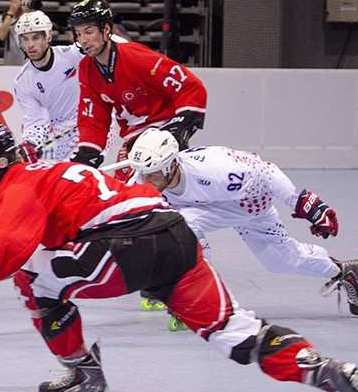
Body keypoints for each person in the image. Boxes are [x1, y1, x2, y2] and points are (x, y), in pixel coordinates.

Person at [0, 120, 358, 392]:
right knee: (235, 332)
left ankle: (82, 375)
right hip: (177, 239)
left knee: (34, 277)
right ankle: (329, 372)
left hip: (128, 248)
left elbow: (8, 243)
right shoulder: (40, 175)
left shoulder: (20, 187)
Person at [128, 128, 356, 314]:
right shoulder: (145, 177)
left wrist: (307, 205)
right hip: (204, 206)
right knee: (180, 223)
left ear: (170, 166)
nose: (145, 180)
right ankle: (199, 295)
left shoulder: (214, 170)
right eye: (142, 173)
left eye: (153, 174)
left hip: (249, 202)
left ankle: (346, 272)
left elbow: (267, 172)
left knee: (280, 261)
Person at [69, 0, 207, 181]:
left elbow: (190, 86)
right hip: (134, 137)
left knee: (155, 185)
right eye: (78, 34)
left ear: (107, 29)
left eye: (88, 31)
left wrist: (181, 124)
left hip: (162, 129)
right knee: (123, 187)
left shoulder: (136, 57)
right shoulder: (86, 69)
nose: (83, 40)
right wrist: (88, 152)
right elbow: (93, 119)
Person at [12, 10, 127, 164]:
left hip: (94, 123)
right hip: (61, 137)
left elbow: (107, 43)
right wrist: (30, 143)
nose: (30, 45)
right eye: (24, 39)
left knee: (84, 173)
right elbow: (36, 121)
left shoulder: (73, 54)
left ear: (48, 36)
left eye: (36, 37)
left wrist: (133, 51)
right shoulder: (22, 81)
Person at [0, 0, 31, 66]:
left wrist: (27, 13)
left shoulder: (32, 16)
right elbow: (1, 36)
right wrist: (11, 12)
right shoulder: (1, 19)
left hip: (29, 63)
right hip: (10, 63)